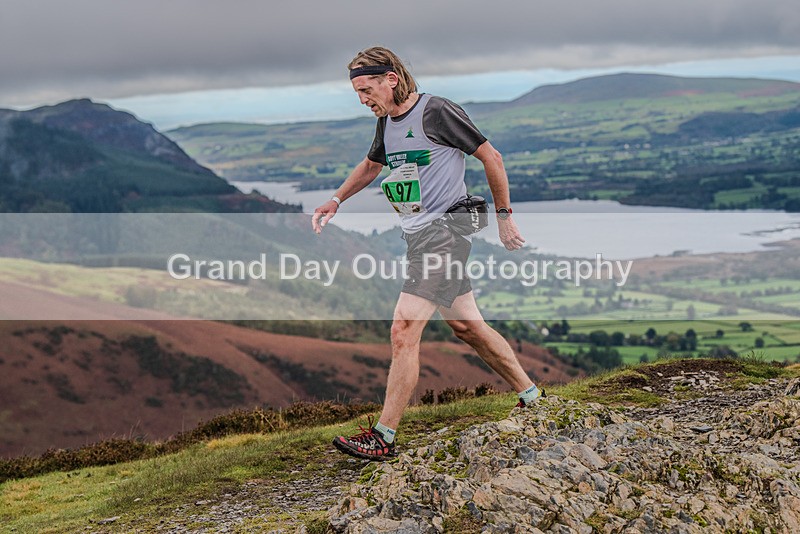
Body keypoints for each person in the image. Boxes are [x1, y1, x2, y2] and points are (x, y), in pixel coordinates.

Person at [312, 46, 543, 461]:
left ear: (391, 79)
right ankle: (532, 396)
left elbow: (492, 156)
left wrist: (505, 216)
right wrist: (336, 200)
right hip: (418, 236)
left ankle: (383, 436)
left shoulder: (436, 112)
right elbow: (371, 165)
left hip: (446, 233)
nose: (363, 100)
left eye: (367, 90)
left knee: (403, 330)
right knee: (468, 327)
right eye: (357, 93)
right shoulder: (387, 122)